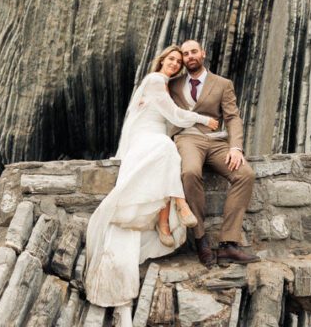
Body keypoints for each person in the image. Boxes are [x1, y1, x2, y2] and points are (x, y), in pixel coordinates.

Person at [84, 45, 219, 325]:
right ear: (161, 60)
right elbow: (175, 115)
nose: (174, 64)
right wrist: (203, 118)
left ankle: (163, 219)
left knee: (168, 149)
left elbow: (170, 122)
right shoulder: (155, 80)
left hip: (153, 138)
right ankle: (178, 206)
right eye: (171, 59)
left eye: (178, 62)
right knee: (166, 149)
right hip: (147, 139)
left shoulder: (163, 88)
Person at [169, 40, 259, 266]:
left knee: (245, 174)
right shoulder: (172, 84)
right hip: (187, 139)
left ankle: (229, 244)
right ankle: (200, 238)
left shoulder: (222, 83)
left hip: (216, 141)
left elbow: (232, 117)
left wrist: (235, 147)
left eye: (194, 52)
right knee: (189, 172)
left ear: (203, 54)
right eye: (186, 53)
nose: (190, 56)